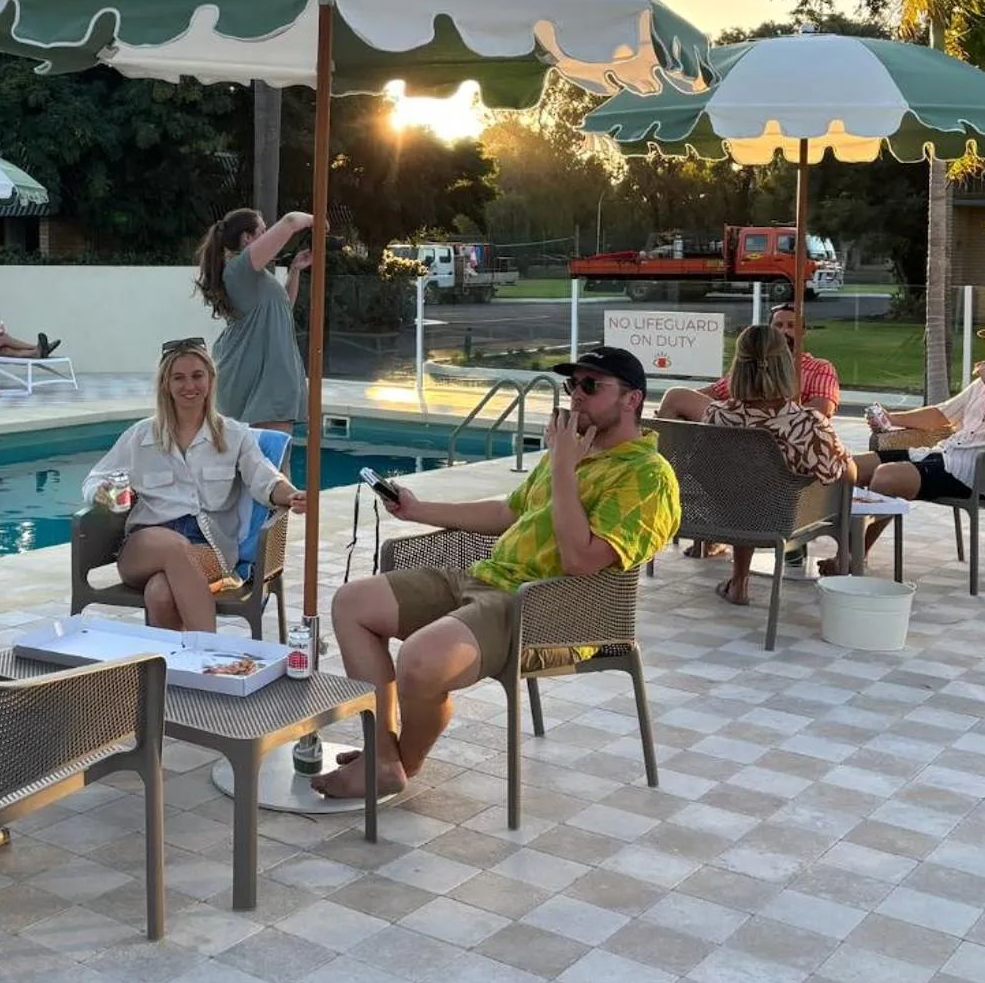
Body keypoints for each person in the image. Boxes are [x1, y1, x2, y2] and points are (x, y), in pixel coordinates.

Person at [311, 347, 680, 800]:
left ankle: (399, 760)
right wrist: (418, 509)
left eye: (591, 385)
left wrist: (563, 467)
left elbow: (580, 561)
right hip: (485, 577)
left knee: (421, 662)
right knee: (352, 603)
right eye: (572, 384)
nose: (576, 395)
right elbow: (509, 511)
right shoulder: (574, 449)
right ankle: (382, 756)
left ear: (632, 399)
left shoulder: (647, 476)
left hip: (544, 609)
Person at [82, 339, 307, 632]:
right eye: (179, 377)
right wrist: (103, 492)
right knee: (174, 547)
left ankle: (174, 662)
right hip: (145, 543)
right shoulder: (141, 436)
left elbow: (265, 479)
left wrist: (292, 495)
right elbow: (94, 480)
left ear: (210, 380)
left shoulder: (234, 435)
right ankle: (209, 651)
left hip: (207, 546)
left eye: (197, 376)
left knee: (160, 593)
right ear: (166, 384)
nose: (189, 385)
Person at [656, 325, 852, 605]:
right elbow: (844, 473)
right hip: (781, 522)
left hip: (721, 515)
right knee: (828, 485)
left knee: (744, 487)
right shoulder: (807, 424)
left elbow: (676, 396)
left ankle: (739, 582)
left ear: (737, 368)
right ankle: (845, 574)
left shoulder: (716, 416)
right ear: (786, 368)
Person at [854, 315, 985, 555]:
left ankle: (853, 556)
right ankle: (839, 542)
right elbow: (942, 414)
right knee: (850, 467)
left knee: (887, 477)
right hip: (944, 456)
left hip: (977, 475)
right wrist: (891, 418)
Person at [662, 303, 839, 558]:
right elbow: (841, 470)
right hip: (778, 502)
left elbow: (823, 407)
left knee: (724, 457)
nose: (784, 331)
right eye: (778, 325)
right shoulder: (805, 421)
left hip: (758, 475)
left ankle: (670, 494)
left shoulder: (818, 368)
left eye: (791, 326)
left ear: (803, 331)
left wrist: (755, 418)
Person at [196, 207, 314, 430]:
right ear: (247, 237)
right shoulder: (240, 270)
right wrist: (315, 220)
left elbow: (283, 308)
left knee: (265, 450)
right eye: (263, 231)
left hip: (263, 371)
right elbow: (290, 221)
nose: (267, 235)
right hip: (260, 376)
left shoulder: (251, 275)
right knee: (270, 451)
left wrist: (295, 270)